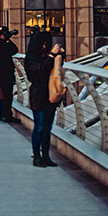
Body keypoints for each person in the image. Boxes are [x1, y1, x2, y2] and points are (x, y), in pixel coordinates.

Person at [24, 30, 64, 167]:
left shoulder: (47, 55)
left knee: (48, 128)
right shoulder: (30, 58)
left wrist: (60, 56)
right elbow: (40, 71)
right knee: (39, 126)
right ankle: (37, 156)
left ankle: (46, 155)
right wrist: (52, 55)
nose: (45, 46)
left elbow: (56, 70)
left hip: (51, 95)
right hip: (38, 94)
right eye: (43, 43)